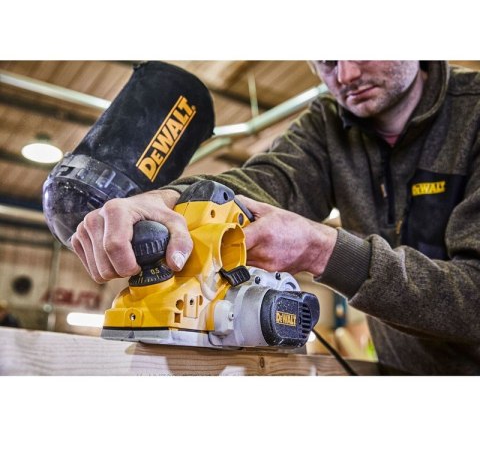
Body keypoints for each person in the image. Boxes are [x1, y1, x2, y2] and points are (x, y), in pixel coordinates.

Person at [71, 61, 480, 375]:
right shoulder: (328, 123)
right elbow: (265, 181)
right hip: (400, 376)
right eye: (327, 60)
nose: (346, 74)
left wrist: (322, 250)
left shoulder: (473, 112)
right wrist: (168, 200)